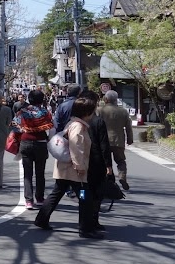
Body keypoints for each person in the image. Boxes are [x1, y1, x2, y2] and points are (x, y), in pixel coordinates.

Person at [33, 93, 102, 238]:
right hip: (75, 171)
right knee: (84, 198)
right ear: (87, 112)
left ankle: (41, 219)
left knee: (56, 193)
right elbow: (76, 147)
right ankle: (85, 229)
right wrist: (80, 167)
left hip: (65, 169)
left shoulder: (72, 123)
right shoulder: (78, 127)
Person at [12, 89, 53, 209]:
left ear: (29, 99)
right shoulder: (45, 112)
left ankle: (28, 200)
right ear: (42, 100)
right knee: (40, 173)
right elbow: (52, 127)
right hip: (41, 143)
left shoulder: (22, 112)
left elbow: (14, 127)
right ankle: (39, 198)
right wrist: (49, 140)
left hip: (26, 142)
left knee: (27, 173)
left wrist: (23, 131)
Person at [82, 90, 113, 233]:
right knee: (96, 194)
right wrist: (109, 166)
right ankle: (92, 222)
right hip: (96, 163)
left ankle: (84, 222)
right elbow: (104, 146)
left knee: (83, 193)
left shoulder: (76, 120)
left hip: (81, 164)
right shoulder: (97, 121)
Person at [98, 90, 134, 190]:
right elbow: (128, 127)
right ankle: (122, 177)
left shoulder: (100, 110)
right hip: (118, 140)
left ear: (106, 99)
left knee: (104, 162)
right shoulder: (123, 111)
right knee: (121, 161)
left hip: (104, 141)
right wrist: (129, 139)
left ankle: (107, 181)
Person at [53, 84, 83, 199]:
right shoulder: (81, 105)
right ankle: (81, 193)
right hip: (79, 137)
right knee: (78, 163)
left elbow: (57, 123)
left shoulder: (62, 106)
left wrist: (59, 135)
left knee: (64, 164)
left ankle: (67, 188)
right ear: (79, 93)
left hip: (64, 137)